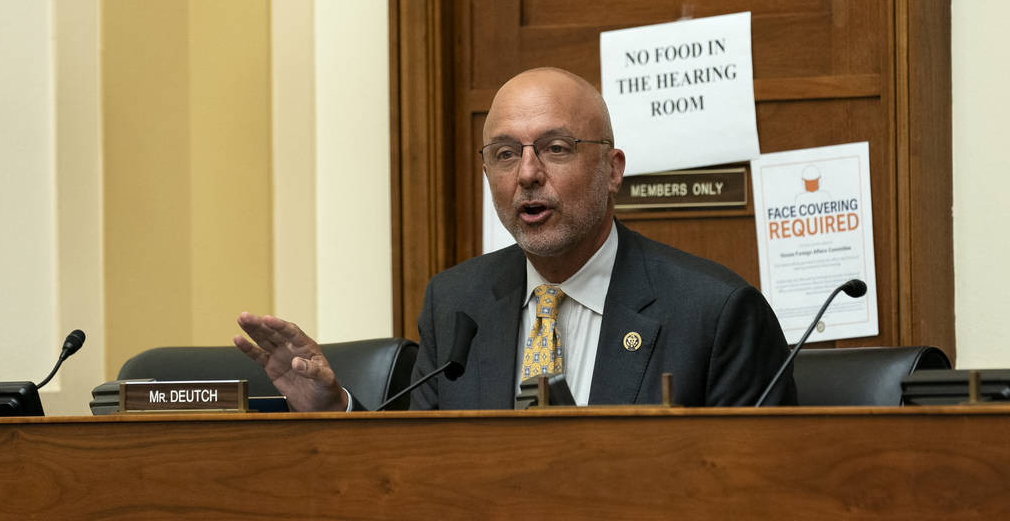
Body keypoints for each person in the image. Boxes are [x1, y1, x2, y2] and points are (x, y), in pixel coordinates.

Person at [235, 67, 796, 409]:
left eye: (555, 148)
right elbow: (418, 474)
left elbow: (763, 489)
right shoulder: (458, 303)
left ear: (613, 169)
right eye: (506, 155)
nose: (527, 173)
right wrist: (337, 410)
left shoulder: (714, 312)